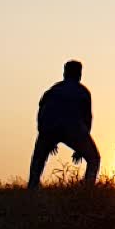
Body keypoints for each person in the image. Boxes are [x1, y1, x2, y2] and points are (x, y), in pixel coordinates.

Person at [29, 60, 101, 189]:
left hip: (49, 128)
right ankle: (87, 191)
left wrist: (45, 136)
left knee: (38, 160)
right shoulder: (83, 92)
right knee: (94, 159)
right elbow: (87, 118)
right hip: (74, 129)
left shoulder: (53, 90)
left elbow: (41, 113)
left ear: (64, 73)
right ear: (79, 74)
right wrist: (81, 146)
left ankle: (32, 188)